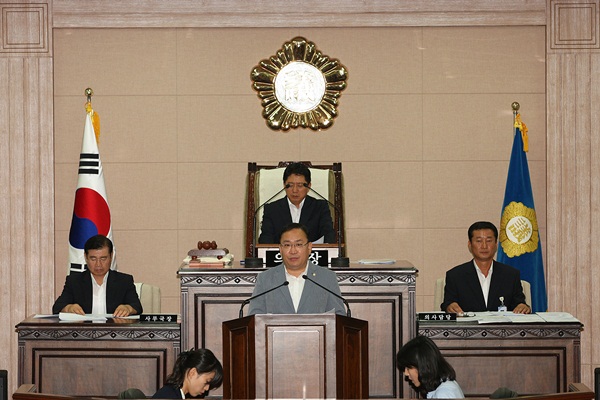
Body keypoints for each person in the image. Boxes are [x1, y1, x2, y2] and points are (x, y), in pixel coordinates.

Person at [249, 223, 346, 315]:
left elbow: (338, 316)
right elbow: (255, 317)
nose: (293, 251)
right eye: (287, 245)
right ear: (280, 249)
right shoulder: (265, 278)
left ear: (309, 247)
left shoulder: (327, 277)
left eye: (299, 244)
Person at [441, 221, 531, 314]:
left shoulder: (511, 275)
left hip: (500, 327)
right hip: (469, 327)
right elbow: (447, 303)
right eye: (479, 241)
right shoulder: (455, 276)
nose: (484, 246)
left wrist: (522, 306)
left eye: (489, 241)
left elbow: (519, 303)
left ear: (496, 244)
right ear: (470, 245)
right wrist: (449, 307)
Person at [52, 234, 143, 317]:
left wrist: (128, 308)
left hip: (114, 332)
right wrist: (69, 308)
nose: (98, 264)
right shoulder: (74, 281)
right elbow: (57, 307)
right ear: (86, 257)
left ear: (111, 256)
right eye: (93, 259)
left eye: (103, 258)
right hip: (84, 332)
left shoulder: (124, 281)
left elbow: (137, 306)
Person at [258, 162, 336, 244]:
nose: (295, 190)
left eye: (300, 185)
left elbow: (328, 236)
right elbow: (265, 240)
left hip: (312, 256)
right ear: (284, 185)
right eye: (290, 185)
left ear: (309, 186)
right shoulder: (272, 209)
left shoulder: (320, 207)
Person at [396, 335, 464, 399]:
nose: (406, 373)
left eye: (408, 368)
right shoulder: (444, 387)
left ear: (422, 366)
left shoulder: (443, 394)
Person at [152, 348, 223, 399]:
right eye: (207, 382)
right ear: (192, 373)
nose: (207, 388)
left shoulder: (173, 392)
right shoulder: (168, 396)